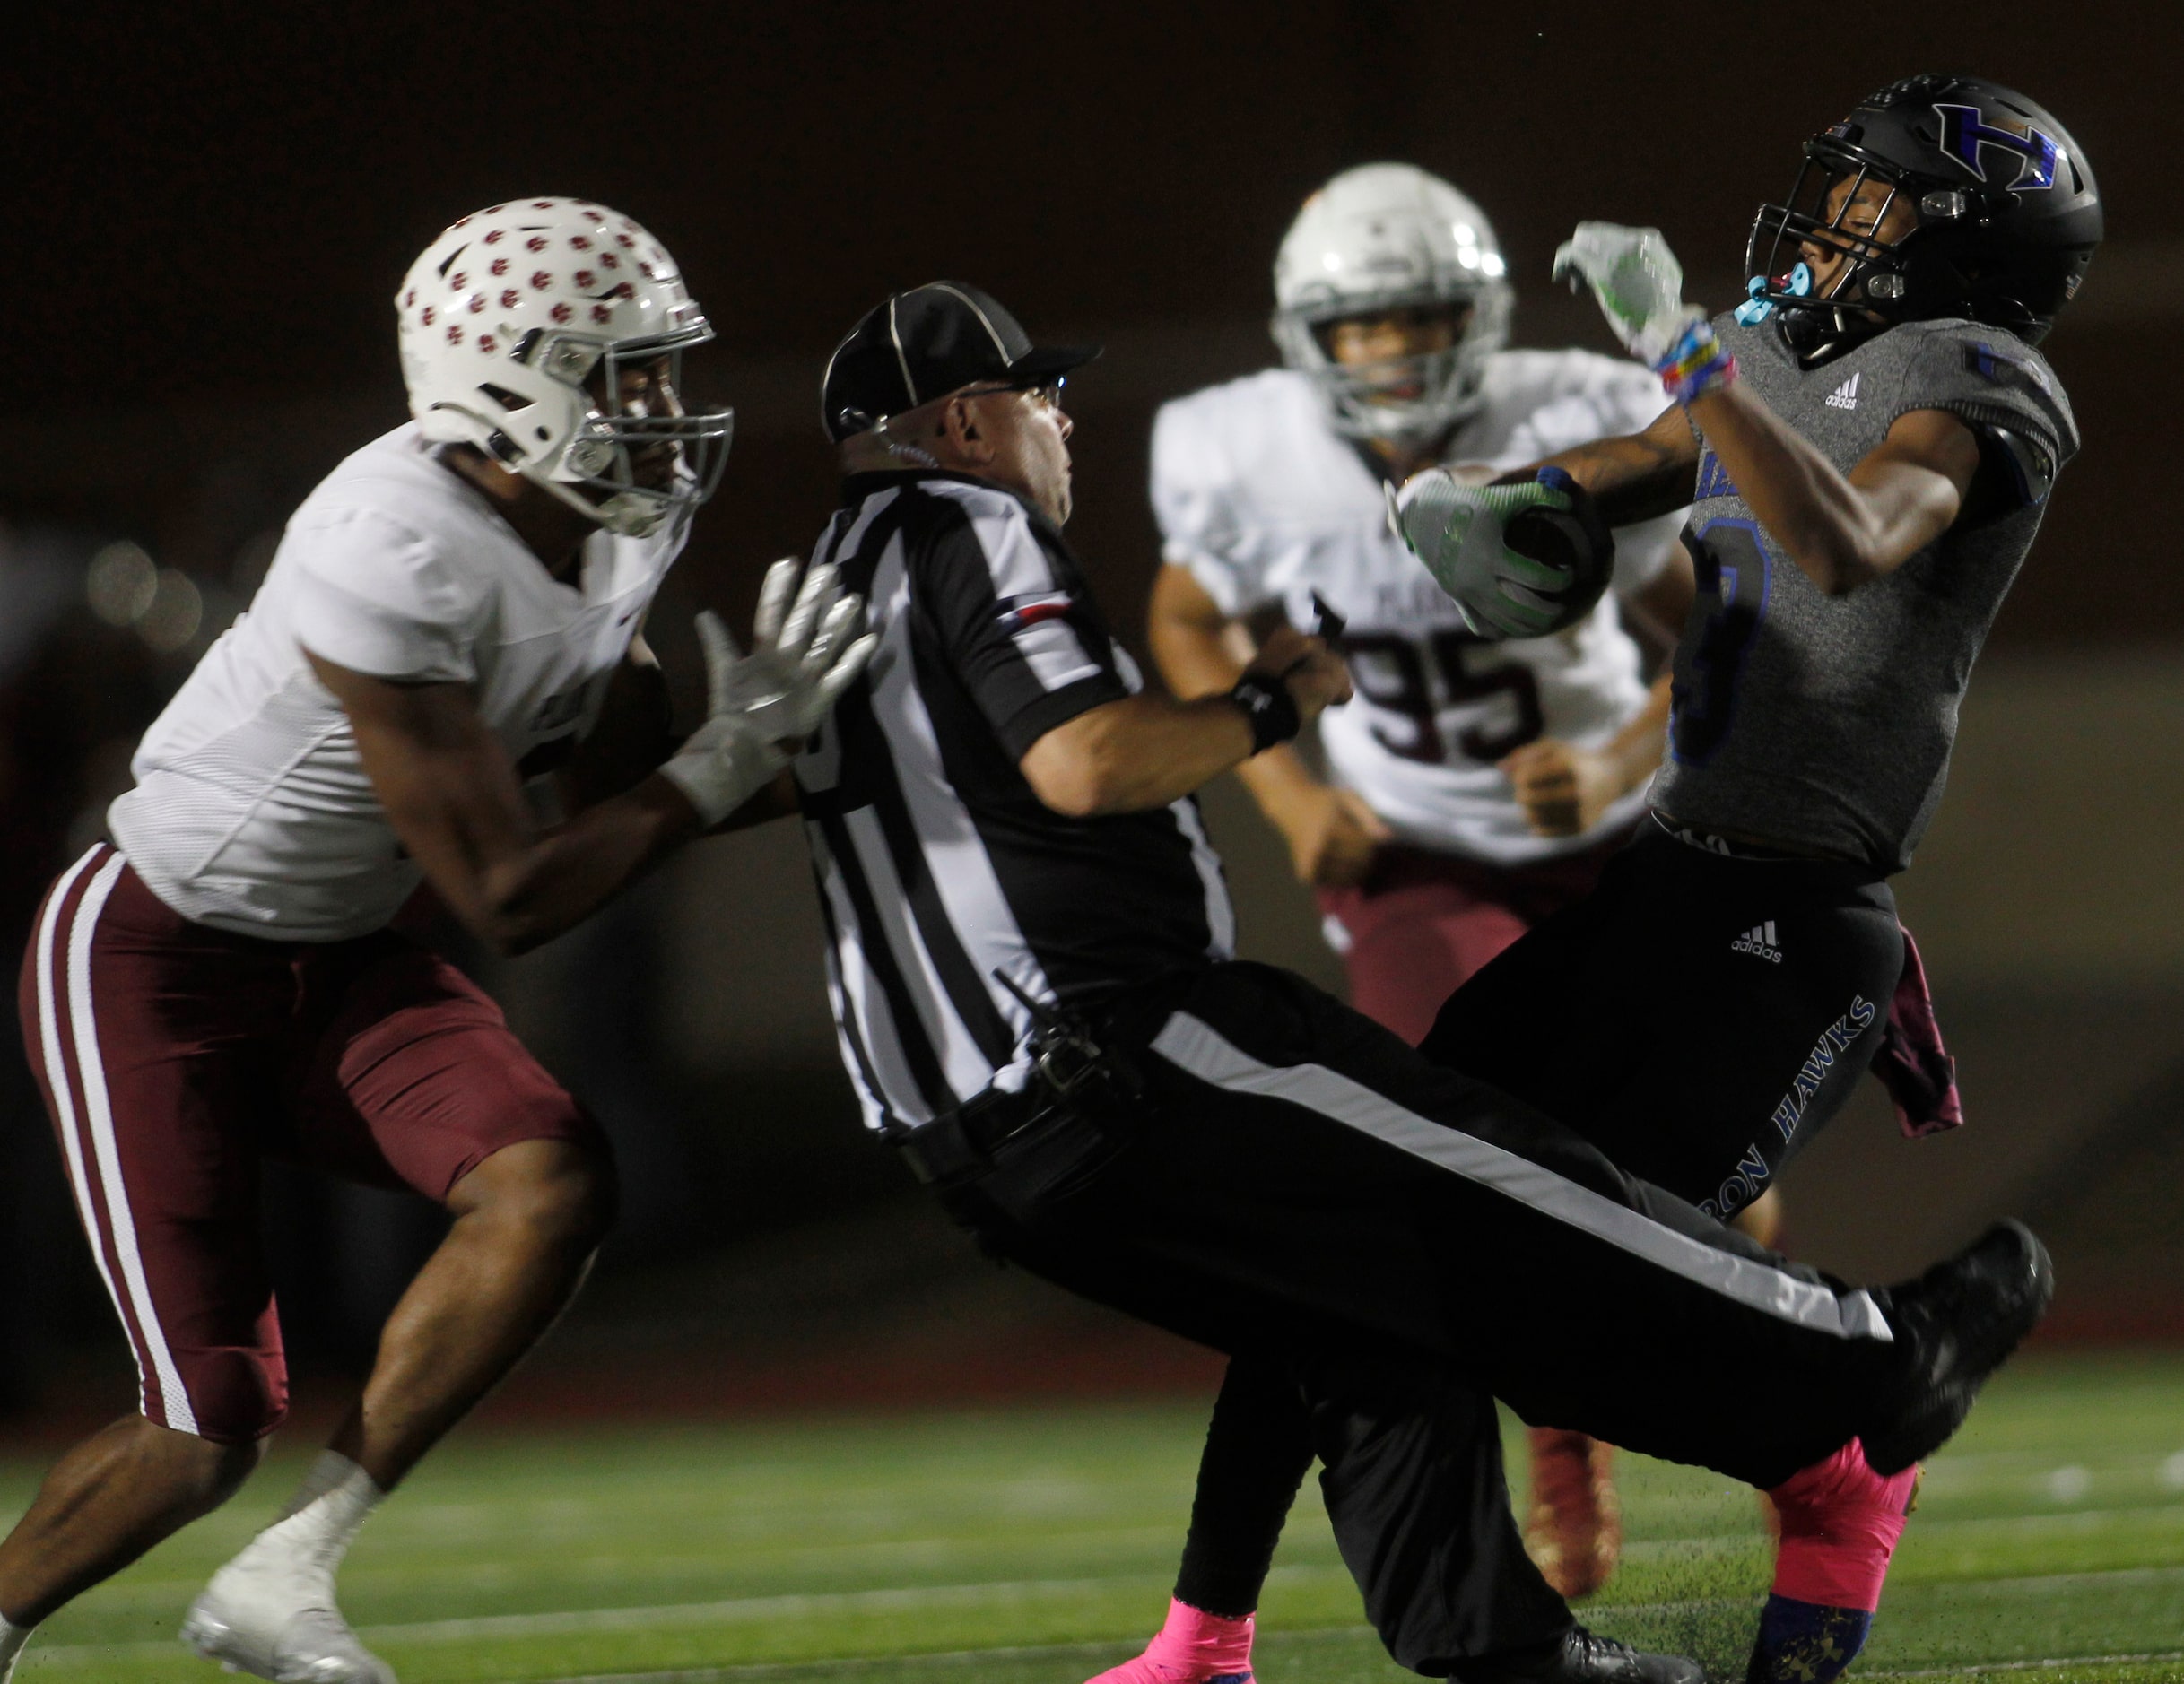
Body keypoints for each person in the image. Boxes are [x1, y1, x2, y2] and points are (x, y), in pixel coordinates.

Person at [788, 278, 2051, 1684]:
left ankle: (1382, 1644)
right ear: (964, 419)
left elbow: (1710, 559)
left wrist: (1520, 517)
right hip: (1123, 1046)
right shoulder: (983, 519)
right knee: (1502, 1187)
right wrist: (1278, 709)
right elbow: (1084, 758)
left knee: (1358, 1289)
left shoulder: (830, 572)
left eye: (1413, 316)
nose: (1064, 421)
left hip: (968, 1133)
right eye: (1041, 396)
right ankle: (1867, 1375)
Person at [0, 199, 870, 1684]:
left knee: (549, 1182)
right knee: (206, 1420)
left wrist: (828, 753)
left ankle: (294, 1570)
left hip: (339, 952)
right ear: (508, 378)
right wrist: (722, 765)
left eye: (659, 371)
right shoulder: (388, 541)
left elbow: (618, 782)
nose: (659, 410)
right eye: (625, 375)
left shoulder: (614, 517)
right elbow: (514, 892)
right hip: (156, 952)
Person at [1362, 72, 2094, 1680]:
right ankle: (1207, 1632)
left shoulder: (1987, 382)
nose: (1835, 229)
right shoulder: (1780, 354)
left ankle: (1863, 1426)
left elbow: (1843, 537)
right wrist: (1513, 514)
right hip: (1657, 876)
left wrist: (1689, 349)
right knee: (1391, 1196)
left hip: (1795, 917)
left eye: (1872, 205)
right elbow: (1654, 452)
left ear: (1963, 242)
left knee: (1583, 1285)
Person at [1147, 161, 1700, 1602]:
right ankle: (1558, 1436)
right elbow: (1186, 610)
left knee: (1705, 1174)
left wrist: (1630, 745)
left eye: (1418, 318)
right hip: (1416, 846)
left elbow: (1723, 623)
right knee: (1442, 1151)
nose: (1390, 353)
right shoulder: (1243, 451)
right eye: (1361, 326)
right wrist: (1283, 786)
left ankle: (1761, 1410)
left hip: (1614, 833)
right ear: (1305, 336)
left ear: (1479, 313)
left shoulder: (1568, 417)